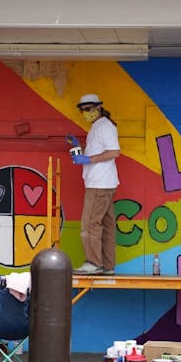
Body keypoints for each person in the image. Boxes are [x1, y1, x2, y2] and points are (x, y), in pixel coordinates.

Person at [70, 93, 120, 274]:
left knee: (90, 224)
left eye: (89, 109)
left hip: (99, 184)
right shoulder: (98, 127)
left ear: (98, 108)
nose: (86, 113)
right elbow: (101, 153)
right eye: (83, 110)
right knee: (106, 227)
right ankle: (107, 266)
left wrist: (87, 158)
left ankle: (93, 263)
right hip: (104, 183)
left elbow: (114, 152)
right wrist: (79, 150)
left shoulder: (104, 127)